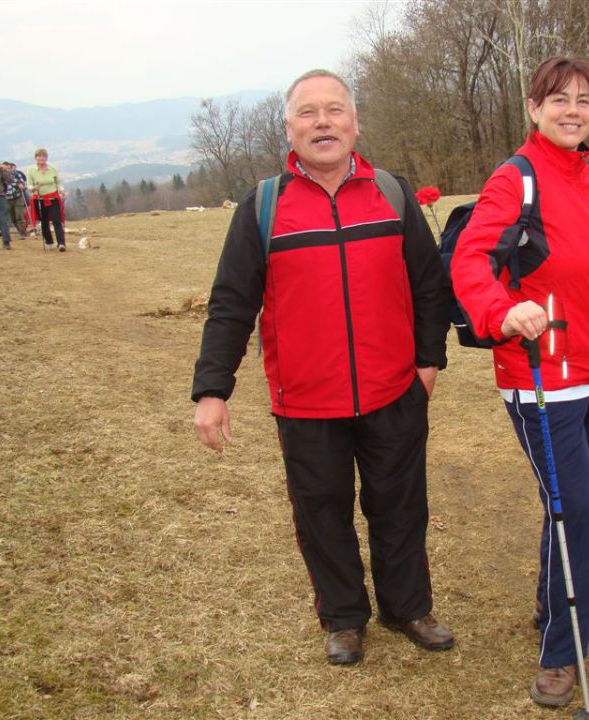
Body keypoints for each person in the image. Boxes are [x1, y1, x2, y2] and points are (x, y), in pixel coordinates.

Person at [192, 69, 454, 666]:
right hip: (306, 399)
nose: (323, 122)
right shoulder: (263, 207)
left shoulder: (391, 193)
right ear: (289, 129)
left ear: (356, 123)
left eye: (334, 110)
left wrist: (428, 362)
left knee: (400, 505)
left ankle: (407, 607)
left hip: (394, 390)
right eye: (308, 113)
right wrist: (212, 389)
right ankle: (342, 618)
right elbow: (232, 303)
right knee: (322, 512)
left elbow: (429, 285)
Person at [451, 56, 589, 708]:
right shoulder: (514, 179)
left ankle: (559, 603)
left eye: (584, 100)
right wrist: (502, 310)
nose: (572, 110)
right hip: (544, 380)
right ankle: (563, 648)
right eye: (558, 99)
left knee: (588, 501)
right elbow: (471, 260)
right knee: (574, 511)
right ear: (534, 109)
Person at [26, 148, 66, 251]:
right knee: (44, 221)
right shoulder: (31, 170)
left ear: (46, 158)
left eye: (43, 156)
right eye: (39, 156)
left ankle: (61, 243)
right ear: (36, 158)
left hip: (53, 198)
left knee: (56, 220)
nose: (41, 158)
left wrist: (61, 190)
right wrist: (33, 188)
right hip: (39, 199)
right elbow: (29, 185)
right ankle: (49, 241)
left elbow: (58, 182)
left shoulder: (52, 169)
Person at [2, 161, 29, 238]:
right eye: (5, 168)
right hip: (7, 199)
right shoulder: (1, 176)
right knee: (13, 217)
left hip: (18, 197)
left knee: (19, 216)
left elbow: (24, 185)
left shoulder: (17, 175)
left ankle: (22, 233)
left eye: (8, 168)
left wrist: (22, 186)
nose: (7, 169)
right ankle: (19, 230)